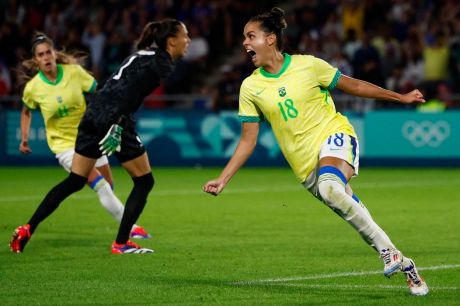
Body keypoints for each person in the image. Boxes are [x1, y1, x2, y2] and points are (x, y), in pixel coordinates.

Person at [203, 8, 429, 296]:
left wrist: (399, 97)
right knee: (351, 210)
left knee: (331, 187)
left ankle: (391, 256)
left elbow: (354, 85)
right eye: (244, 38)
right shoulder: (250, 87)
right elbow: (248, 139)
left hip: (334, 135)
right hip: (304, 165)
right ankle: (402, 261)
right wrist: (224, 178)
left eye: (251, 36)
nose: (245, 43)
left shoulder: (308, 65)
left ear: (270, 39)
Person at [10, 20, 189, 254]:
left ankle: (27, 228)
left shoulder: (145, 54)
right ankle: (121, 242)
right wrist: (118, 124)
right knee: (145, 182)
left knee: (75, 180)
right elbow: (130, 94)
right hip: (113, 118)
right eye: (185, 36)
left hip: (93, 114)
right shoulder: (161, 63)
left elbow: (109, 86)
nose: (188, 41)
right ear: (172, 40)